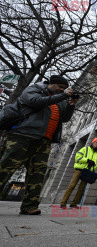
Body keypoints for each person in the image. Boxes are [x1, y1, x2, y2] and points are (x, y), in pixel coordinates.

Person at [0, 75, 78, 215]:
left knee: (37, 174)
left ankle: (29, 206)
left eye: (65, 89)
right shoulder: (35, 90)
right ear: (51, 84)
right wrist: (63, 96)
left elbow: (64, 118)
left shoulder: (59, 99)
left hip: (44, 141)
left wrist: (71, 105)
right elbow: (36, 102)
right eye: (60, 87)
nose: (62, 90)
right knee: (6, 168)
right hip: (23, 136)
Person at [60, 138, 97, 209]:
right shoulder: (85, 149)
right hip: (79, 169)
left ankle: (74, 204)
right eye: (96, 142)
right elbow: (77, 158)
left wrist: (94, 165)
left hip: (88, 171)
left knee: (81, 188)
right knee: (72, 185)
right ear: (93, 142)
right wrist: (87, 160)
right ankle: (63, 203)